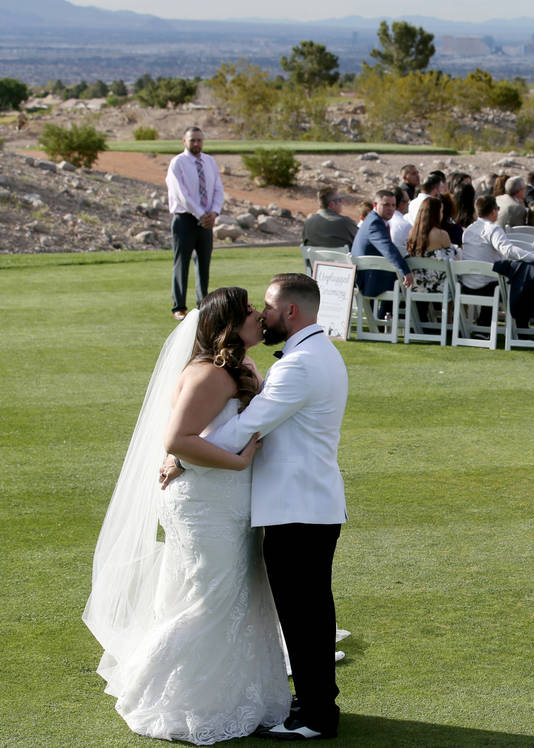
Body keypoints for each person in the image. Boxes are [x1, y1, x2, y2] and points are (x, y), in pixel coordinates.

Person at [84, 288, 289, 744]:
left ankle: (230, 695)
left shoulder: (241, 369)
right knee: (210, 600)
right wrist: (235, 462)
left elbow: (218, 429)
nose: (258, 315)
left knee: (235, 594)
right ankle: (152, 688)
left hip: (230, 500)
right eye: (249, 311)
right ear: (228, 326)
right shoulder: (209, 375)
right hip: (205, 503)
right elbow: (178, 438)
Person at [186, 274, 348, 740]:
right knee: (307, 612)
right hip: (306, 505)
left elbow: (250, 425)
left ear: (291, 312)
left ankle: (316, 714)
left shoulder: (299, 365)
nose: (263, 314)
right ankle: (315, 701)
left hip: (297, 509)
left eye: (270, 307)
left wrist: (184, 453)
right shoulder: (318, 353)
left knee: (304, 614)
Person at [459, 195, 534, 327]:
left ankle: (484, 323)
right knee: (525, 279)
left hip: (467, 284)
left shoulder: (468, 230)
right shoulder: (493, 229)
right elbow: (508, 250)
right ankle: (521, 326)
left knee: (511, 275)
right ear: (493, 211)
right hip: (487, 285)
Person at [166, 126, 224, 321]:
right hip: (185, 218)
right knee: (181, 262)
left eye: (199, 140)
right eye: (192, 140)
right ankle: (179, 306)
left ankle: (202, 304)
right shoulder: (178, 163)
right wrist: (201, 214)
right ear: (185, 141)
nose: (196, 144)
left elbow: (217, 188)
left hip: (207, 219)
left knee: (204, 262)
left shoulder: (210, 161)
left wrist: (214, 212)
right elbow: (181, 195)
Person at [351, 190, 414, 300]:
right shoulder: (374, 223)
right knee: (413, 283)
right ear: (375, 205)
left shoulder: (374, 219)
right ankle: (391, 315)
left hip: (369, 275)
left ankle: (386, 314)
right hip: (368, 280)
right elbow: (388, 249)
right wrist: (405, 271)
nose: (391, 209)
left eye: (393, 205)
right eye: (386, 205)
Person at [407, 195, 457, 294]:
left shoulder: (412, 232)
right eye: (441, 211)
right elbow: (452, 261)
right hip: (440, 288)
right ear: (435, 213)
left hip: (418, 286)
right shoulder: (441, 234)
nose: (442, 214)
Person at [388, 187, 413, 253]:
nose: (409, 204)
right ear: (401, 203)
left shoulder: (384, 220)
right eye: (407, 201)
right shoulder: (406, 225)